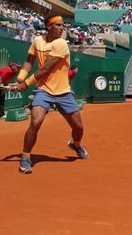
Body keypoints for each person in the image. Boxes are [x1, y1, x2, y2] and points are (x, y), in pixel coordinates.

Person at [11, 14, 88, 174]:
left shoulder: (61, 44)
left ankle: (76, 144)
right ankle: (25, 157)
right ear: (48, 26)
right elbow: (29, 61)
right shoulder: (37, 41)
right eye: (58, 25)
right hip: (44, 90)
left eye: (63, 26)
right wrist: (19, 79)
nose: (62, 28)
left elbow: (46, 68)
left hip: (63, 92)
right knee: (36, 122)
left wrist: (26, 84)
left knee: (78, 127)